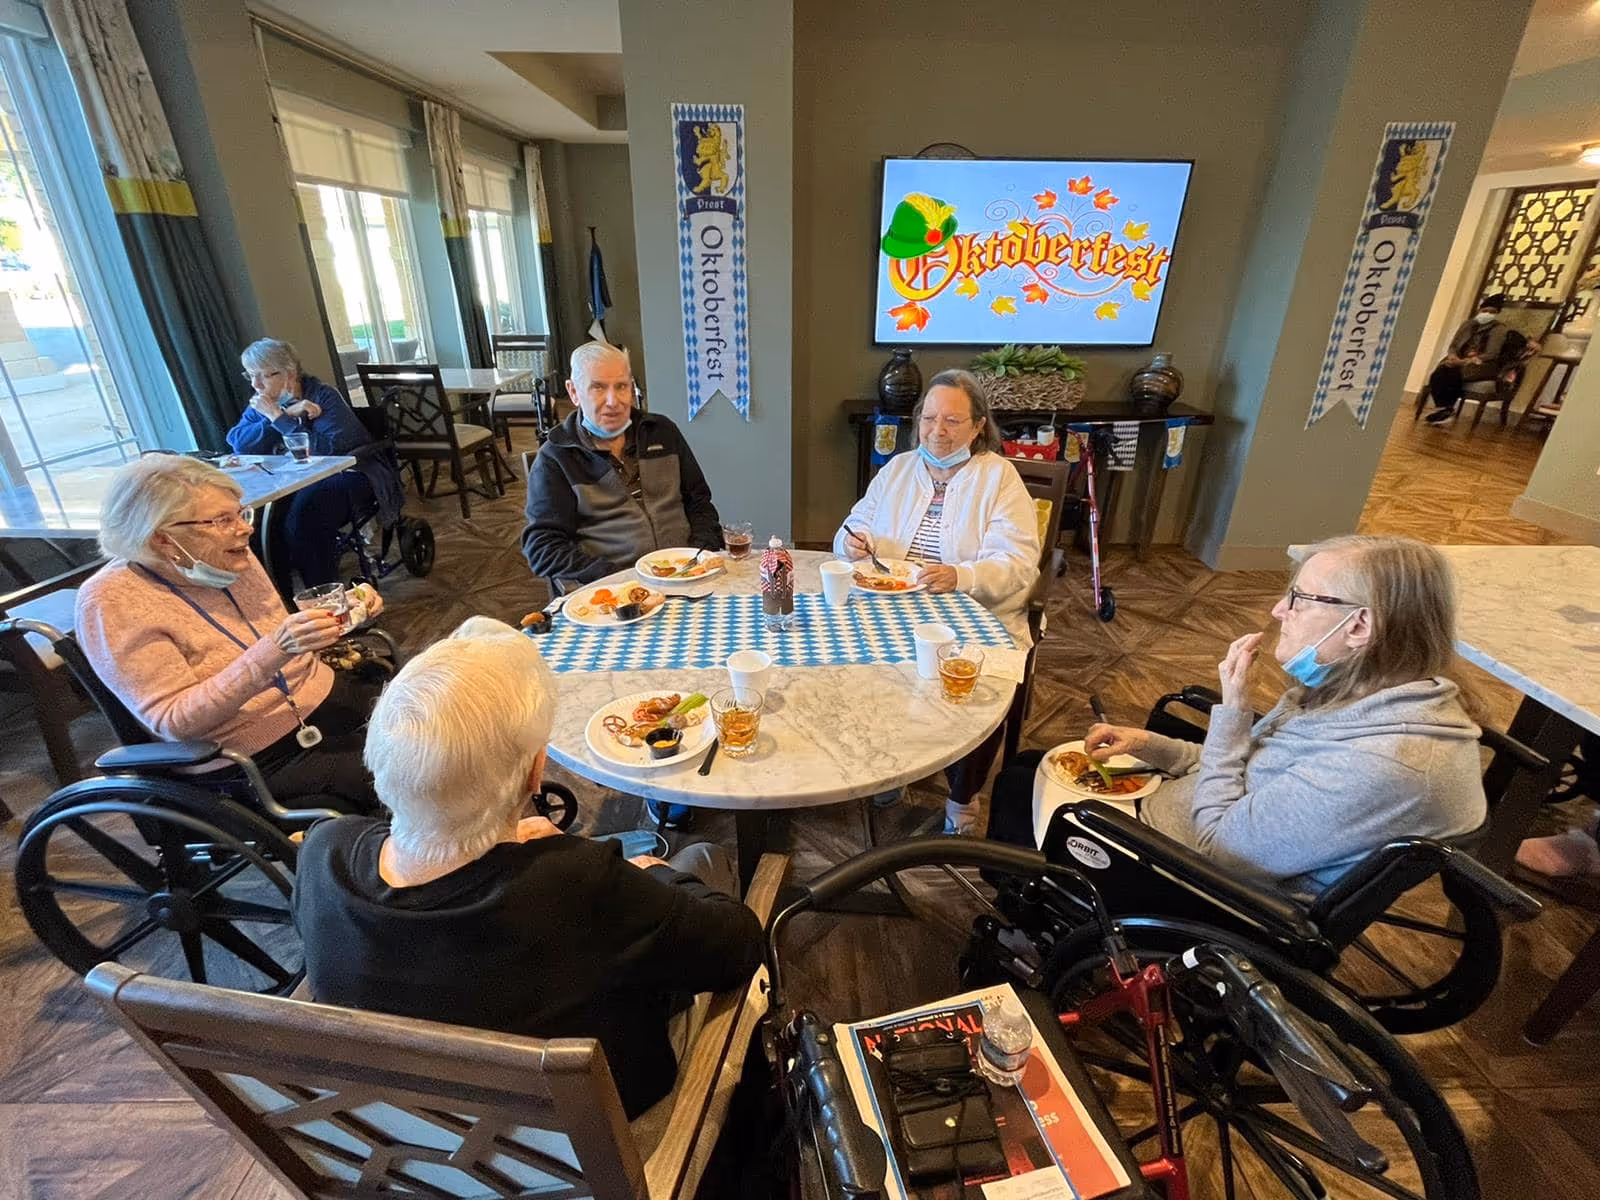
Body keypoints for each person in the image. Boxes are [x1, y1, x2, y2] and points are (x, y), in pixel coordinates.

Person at [292, 616, 764, 1121]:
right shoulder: (575, 882)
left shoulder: (324, 853)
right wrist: (650, 871)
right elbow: (738, 947)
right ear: (536, 770)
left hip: (432, 1142)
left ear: (381, 761)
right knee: (700, 859)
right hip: (608, 1139)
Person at [989, 535, 1487, 895]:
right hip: (1190, 818)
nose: (1277, 610)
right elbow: (1247, 770)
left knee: (1015, 789)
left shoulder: (1385, 764)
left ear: (1360, 626)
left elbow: (1217, 846)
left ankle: (1025, 905)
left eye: (1301, 599)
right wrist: (1150, 745)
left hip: (1183, 875)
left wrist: (1233, 710)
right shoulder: (1358, 693)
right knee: (1027, 764)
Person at [75, 455, 384, 812]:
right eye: (223, 520)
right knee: (422, 772)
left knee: (444, 721)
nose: (245, 528)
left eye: (241, 512)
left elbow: (263, 634)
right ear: (162, 539)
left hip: (318, 700)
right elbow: (174, 721)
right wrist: (274, 650)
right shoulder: (112, 602)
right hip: (251, 753)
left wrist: (341, 613)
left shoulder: (227, 557)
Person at [833, 369, 1040, 835]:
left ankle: (963, 794)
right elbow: (854, 522)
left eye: (951, 420)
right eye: (928, 418)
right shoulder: (899, 468)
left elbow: (1020, 563)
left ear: (978, 425)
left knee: (977, 691)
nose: (937, 431)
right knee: (860, 670)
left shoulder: (999, 477)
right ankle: (891, 763)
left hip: (977, 613)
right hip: (891, 607)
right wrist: (853, 542)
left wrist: (961, 575)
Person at [522, 342, 722, 588]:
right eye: (598, 387)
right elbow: (542, 547)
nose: (613, 401)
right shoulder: (555, 458)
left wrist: (699, 554)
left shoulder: (663, 432)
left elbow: (700, 502)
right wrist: (616, 578)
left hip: (688, 575)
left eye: (621, 387)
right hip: (618, 589)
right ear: (573, 392)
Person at [227, 338, 404, 585]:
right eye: (250, 376)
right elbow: (239, 442)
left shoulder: (324, 396)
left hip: (353, 473)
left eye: (264, 376)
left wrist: (279, 418)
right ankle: (281, 599)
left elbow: (331, 450)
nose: (256, 384)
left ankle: (324, 596)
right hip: (293, 480)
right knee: (260, 523)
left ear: (290, 373)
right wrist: (279, 415)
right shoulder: (264, 403)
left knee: (304, 517)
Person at [1423, 293, 1523, 424]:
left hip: (1483, 364)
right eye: (1484, 310)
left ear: (1496, 314)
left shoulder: (1499, 329)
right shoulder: (1467, 325)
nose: (1487, 314)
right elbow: (1454, 345)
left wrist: (1463, 362)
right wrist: (1452, 356)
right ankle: (1443, 408)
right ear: (1479, 310)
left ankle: (1447, 409)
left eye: (1491, 312)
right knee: (1439, 372)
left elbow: (1491, 354)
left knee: (1455, 372)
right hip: (1460, 360)